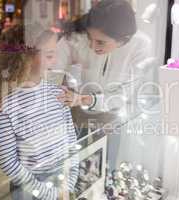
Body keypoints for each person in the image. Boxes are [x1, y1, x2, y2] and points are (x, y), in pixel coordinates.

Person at [55, 0, 153, 169]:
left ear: (124, 40)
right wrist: (56, 88)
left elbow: (123, 95)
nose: (92, 46)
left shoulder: (140, 45)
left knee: (106, 167)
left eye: (100, 42)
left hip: (112, 117)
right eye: (90, 38)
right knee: (75, 168)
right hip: (77, 115)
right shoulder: (76, 37)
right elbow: (52, 69)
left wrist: (84, 99)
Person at [0, 24, 78, 200]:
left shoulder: (59, 94)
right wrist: (46, 193)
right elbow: (8, 161)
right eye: (50, 55)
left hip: (61, 178)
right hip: (28, 186)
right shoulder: (6, 106)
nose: (54, 61)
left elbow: (71, 140)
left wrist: (69, 181)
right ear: (25, 58)